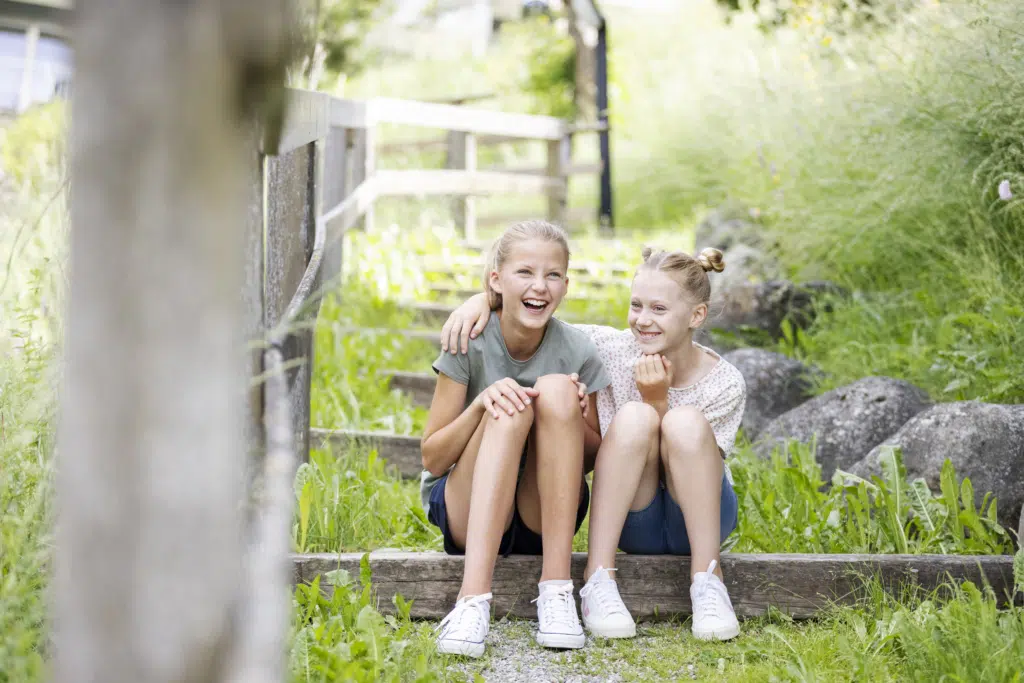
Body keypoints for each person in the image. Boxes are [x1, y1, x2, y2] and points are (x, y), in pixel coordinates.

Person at [440, 245, 745, 642]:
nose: (643, 320)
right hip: (635, 516)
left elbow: (694, 470)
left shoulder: (726, 381)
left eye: (658, 309)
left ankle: (708, 580)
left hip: (702, 520)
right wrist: (480, 300)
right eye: (636, 306)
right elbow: (532, 310)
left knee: (683, 422)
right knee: (633, 417)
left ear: (696, 315)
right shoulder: (607, 347)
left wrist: (659, 402)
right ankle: (599, 578)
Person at [420, 220, 611, 658]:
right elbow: (432, 458)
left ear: (566, 285)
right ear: (496, 280)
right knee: (508, 408)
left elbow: (592, 457)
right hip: (469, 513)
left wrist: (571, 414)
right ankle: (472, 601)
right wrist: (480, 405)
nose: (539, 286)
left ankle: (557, 591)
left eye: (553, 275)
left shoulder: (578, 349)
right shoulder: (468, 340)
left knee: (558, 389)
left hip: (541, 515)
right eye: (524, 272)